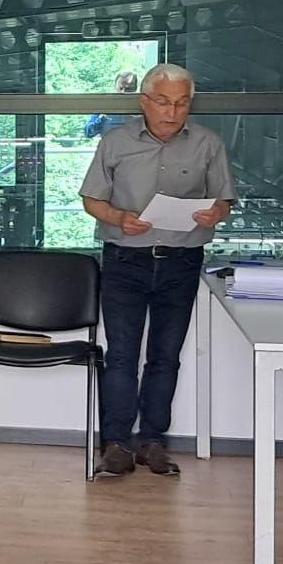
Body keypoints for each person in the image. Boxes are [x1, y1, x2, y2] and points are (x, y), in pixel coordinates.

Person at [79, 63, 234, 479]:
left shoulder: (208, 144)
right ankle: (116, 445)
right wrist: (119, 217)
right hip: (125, 260)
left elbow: (224, 200)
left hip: (181, 261)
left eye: (182, 103)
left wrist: (215, 213)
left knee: (166, 356)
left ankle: (152, 442)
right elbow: (91, 199)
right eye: (164, 102)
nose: (172, 112)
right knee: (122, 355)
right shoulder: (115, 142)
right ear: (144, 101)